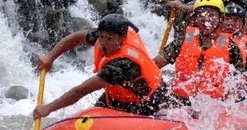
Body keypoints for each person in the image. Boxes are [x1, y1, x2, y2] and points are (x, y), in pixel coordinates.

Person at [33, 13, 167, 120]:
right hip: (118, 95)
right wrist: (50, 57)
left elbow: (82, 90)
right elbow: (76, 38)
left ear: (121, 39)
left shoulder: (122, 64)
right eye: (101, 37)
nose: (103, 43)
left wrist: (48, 108)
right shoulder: (104, 34)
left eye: (109, 39)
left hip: (149, 101)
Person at [154, 0, 246, 106]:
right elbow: (156, 64)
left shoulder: (231, 47)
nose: (206, 19)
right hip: (179, 101)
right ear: (194, 19)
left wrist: (231, 102)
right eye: (201, 15)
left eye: (212, 15)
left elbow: (239, 81)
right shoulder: (182, 41)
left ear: (221, 19)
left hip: (213, 105)